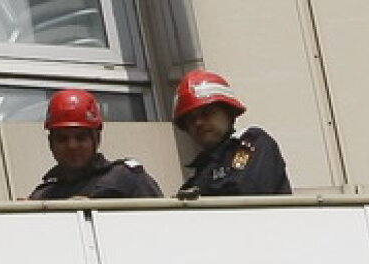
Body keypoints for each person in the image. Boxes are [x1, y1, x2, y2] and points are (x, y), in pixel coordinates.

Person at [172, 69, 292, 198]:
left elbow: (247, 192)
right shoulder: (199, 174)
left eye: (207, 112)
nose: (198, 123)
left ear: (229, 113)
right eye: (191, 119)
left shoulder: (255, 142)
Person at [29, 89, 163, 201]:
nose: (72, 146)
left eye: (81, 138)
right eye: (62, 139)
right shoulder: (42, 196)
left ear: (97, 139)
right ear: (50, 143)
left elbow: (162, 224)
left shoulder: (127, 180)